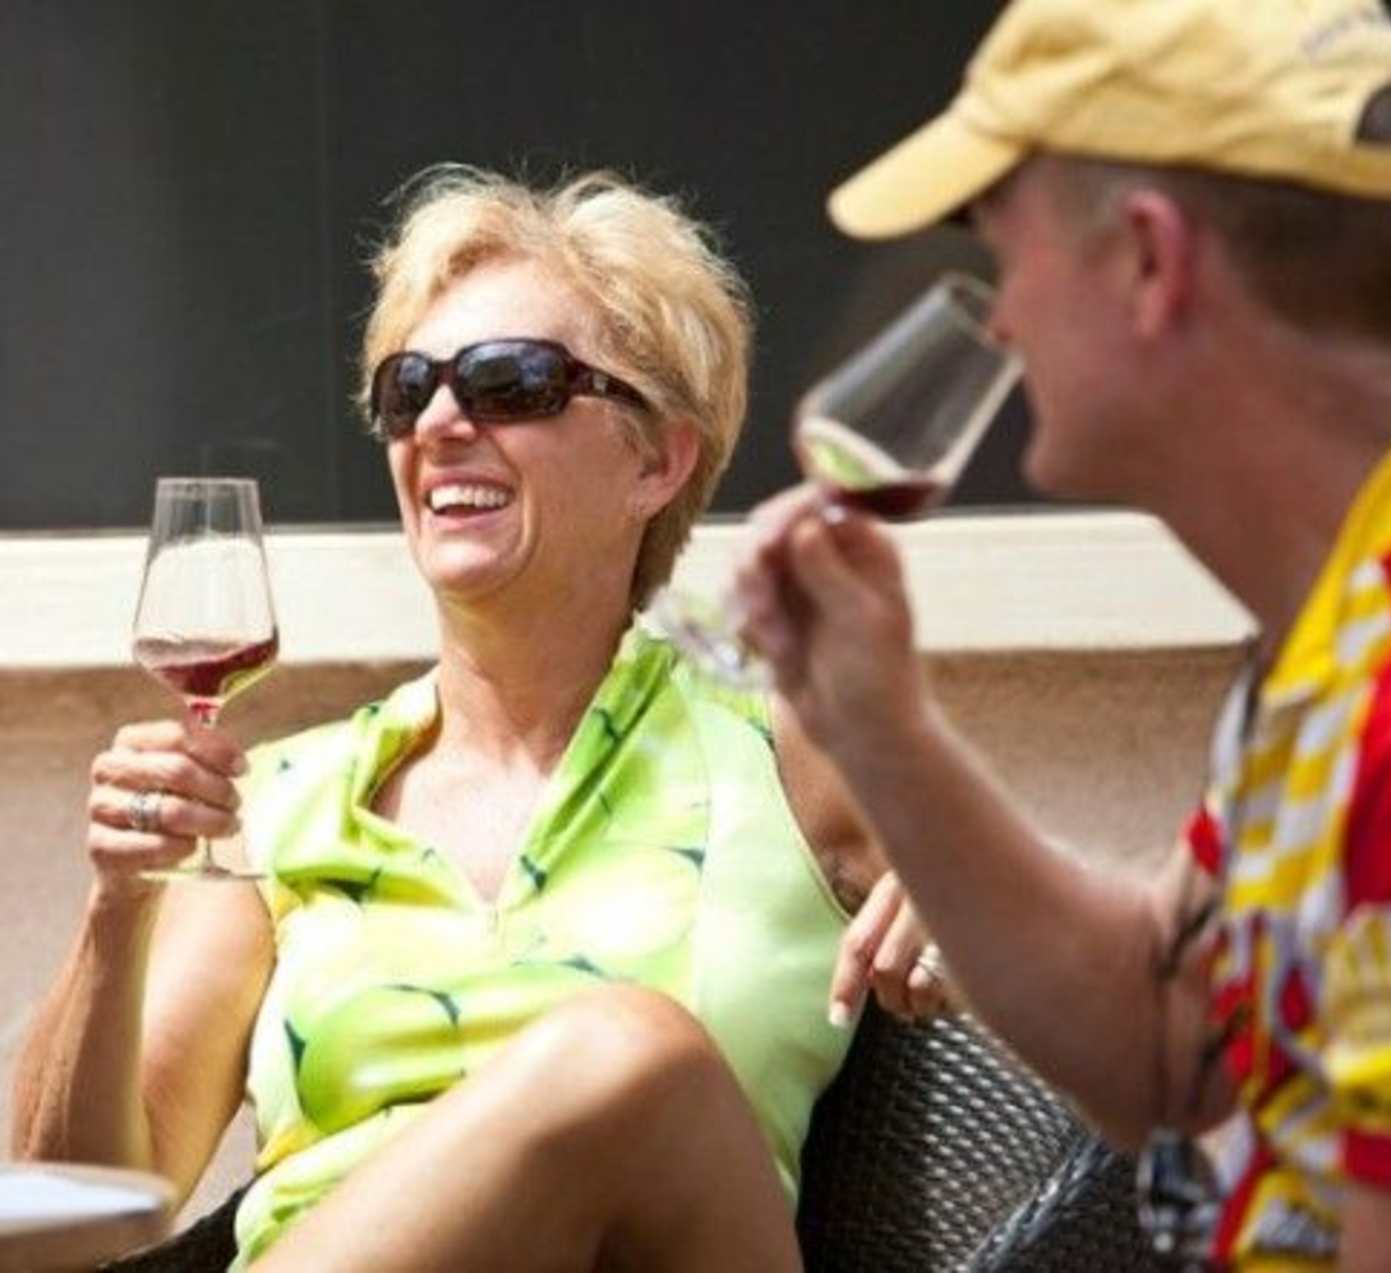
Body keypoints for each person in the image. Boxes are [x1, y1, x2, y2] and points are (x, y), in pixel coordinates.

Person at [10, 168, 953, 1272]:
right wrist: (121, 904)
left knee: (630, 1052)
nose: (445, 421)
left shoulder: (787, 748)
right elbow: (69, 1229)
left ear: (657, 457)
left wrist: (964, 925)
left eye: (513, 383)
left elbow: (1117, 1015)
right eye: (411, 389)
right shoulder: (287, 806)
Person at [737, 1, 1391, 1268]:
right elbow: (1170, 1044)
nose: (997, 323)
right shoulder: (1340, 627)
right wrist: (879, 734)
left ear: (1147, 262)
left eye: (1005, 258)